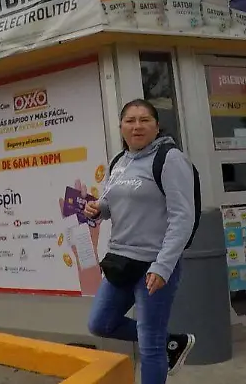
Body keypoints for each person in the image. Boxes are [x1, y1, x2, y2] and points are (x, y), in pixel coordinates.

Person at [83, 99, 197, 383]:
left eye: (144, 120)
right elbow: (111, 204)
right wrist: (98, 209)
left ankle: (161, 342)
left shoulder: (170, 159)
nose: (137, 126)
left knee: (150, 346)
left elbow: (183, 218)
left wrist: (163, 266)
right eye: (130, 121)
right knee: (100, 323)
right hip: (121, 261)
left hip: (153, 265)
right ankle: (172, 341)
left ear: (157, 126)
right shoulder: (119, 162)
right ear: (121, 127)